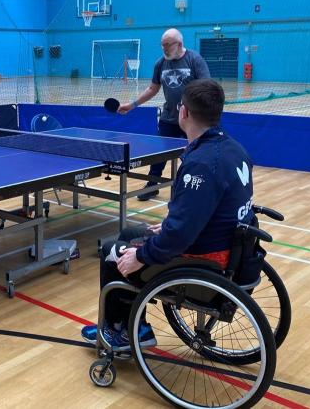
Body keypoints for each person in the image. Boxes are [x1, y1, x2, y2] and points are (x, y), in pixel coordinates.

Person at [82, 79, 254, 351]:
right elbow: (205, 211)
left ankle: (122, 331)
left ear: (183, 112)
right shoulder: (234, 149)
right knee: (130, 233)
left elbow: (180, 235)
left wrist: (141, 256)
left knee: (111, 251)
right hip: (226, 245)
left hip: (203, 258)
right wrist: (168, 227)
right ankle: (134, 324)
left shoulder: (200, 164)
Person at [118, 28, 211, 201]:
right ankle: (152, 184)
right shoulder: (160, 63)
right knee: (159, 154)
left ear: (179, 44)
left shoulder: (195, 60)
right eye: (162, 45)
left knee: (193, 155)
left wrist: (197, 113)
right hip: (168, 118)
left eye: (168, 45)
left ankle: (196, 187)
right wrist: (132, 105)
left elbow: (206, 88)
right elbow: (153, 88)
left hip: (191, 120)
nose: (164, 49)